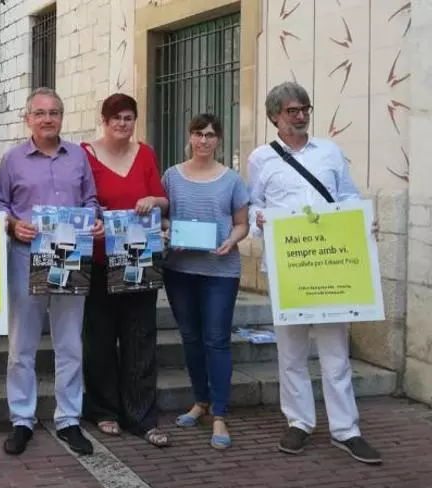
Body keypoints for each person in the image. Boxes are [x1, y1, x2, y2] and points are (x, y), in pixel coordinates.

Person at [248, 81, 381, 464]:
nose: (301, 116)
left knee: (335, 351)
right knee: (291, 352)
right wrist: (260, 221)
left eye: (305, 108)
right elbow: (255, 204)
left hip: (331, 265)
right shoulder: (261, 158)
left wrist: (362, 221)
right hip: (289, 269)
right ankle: (299, 422)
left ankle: (346, 429)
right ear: (274, 117)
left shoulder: (329, 152)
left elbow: (348, 195)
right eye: (292, 110)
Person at [0, 87, 103, 457]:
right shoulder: (13, 159)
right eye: (39, 113)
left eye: (53, 112)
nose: (47, 119)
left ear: (61, 118)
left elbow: (90, 199)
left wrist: (94, 219)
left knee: (69, 343)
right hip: (27, 257)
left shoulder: (78, 157)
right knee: (21, 345)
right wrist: (12, 224)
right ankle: (22, 419)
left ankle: (68, 418)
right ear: (28, 119)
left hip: (71, 256)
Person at [79, 93, 170, 446]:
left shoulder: (145, 153)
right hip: (99, 260)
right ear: (104, 120)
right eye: (115, 117)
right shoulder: (85, 154)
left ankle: (142, 416)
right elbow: (79, 200)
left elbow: (163, 201)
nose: (122, 123)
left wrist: (153, 201)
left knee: (140, 338)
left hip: (138, 259)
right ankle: (103, 410)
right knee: (99, 340)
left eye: (128, 117)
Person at [161, 113, 249, 450]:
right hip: (180, 269)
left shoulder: (232, 180)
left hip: (220, 270)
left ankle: (220, 414)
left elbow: (242, 223)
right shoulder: (171, 176)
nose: (203, 140)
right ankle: (200, 402)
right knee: (190, 338)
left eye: (210, 135)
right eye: (198, 134)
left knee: (217, 340)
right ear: (190, 137)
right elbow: (163, 217)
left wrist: (231, 240)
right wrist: (170, 231)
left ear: (219, 140)